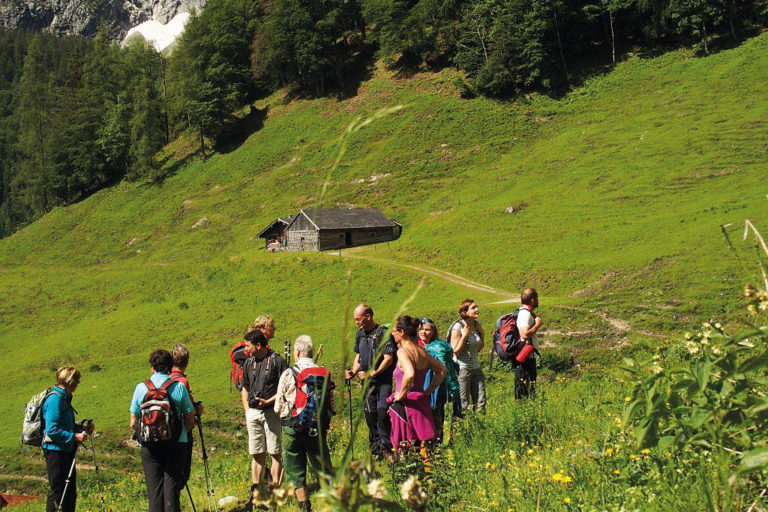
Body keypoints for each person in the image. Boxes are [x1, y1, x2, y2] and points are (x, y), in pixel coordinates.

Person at [274, 335, 335, 512]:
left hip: (292, 428)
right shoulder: (324, 373)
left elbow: (278, 406)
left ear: (298, 352)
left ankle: (305, 505)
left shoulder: (288, 373)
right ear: (312, 352)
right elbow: (331, 405)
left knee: (295, 468)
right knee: (322, 465)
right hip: (316, 428)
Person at [130, 350, 196, 512]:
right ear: (170, 367)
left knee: (154, 493)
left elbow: (133, 422)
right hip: (175, 444)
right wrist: (180, 434)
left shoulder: (141, 388)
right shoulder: (178, 387)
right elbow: (190, 418)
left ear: (152, 367)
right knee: (172, 492)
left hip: (149, 447)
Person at [344, 304, 396, 459]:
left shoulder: (383, 333)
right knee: (370, 414)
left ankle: (387, 447)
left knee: (382, 412)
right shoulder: (359, 334)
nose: (357, 323)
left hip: (383, 381)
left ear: (368, 316)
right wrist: (353, 372)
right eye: (355, 320)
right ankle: (375, 449)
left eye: (358, 319)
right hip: (367, 384)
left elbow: (388, 358)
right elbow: (359, 356)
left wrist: (373, 372)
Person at [241, 329, 288, 500]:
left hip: (271, 412)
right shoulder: (248, 363)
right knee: (257, 452)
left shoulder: (277, 361)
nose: (246, 349)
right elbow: (245, 387)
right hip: (253, 412)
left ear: (258, 345)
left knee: (274, 451)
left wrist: (269, 402)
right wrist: (247, 411)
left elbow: (286, 387)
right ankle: (257, 490)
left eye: (248, 346)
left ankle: (276, 490)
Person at [388, 315, 446, 452]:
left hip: (405, 405)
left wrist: (400, 395)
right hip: (420, 402)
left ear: (402, 333)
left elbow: (410, 374)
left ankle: (408, 472)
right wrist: (427, 392)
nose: (392, 333)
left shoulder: (403, 351)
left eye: (394, 330)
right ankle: (424, 471)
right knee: (423, 443)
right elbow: (442, 371)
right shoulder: (422, 352)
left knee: (404, 446)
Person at [42, 367, 95, 512]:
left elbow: (64, 424)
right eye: (76, 380)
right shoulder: (55, 399)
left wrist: (82, 429)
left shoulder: (64, 398)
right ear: (70, 381)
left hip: (65, 450)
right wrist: (74, 437)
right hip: (56, 452)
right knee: (58, 491)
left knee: (69, 492)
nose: (78, 383)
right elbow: (51, 430)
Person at [419, 318, 459, 442]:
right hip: (419, 385)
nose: (423, 332)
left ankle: (436, 443)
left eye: (427, 329)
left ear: (433, 331)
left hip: (437, 386)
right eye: (421, 329)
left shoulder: (439, 347)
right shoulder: (414, 345)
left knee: (437, 415)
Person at [170, 344, 204, 488]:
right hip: (182, 431)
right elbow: (188, 410)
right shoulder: (182, 382)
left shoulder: (167, 379)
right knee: (183, 472)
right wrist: (197, 410)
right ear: (187, 361)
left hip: (168, 431)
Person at [449, 299, 486, 413]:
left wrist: (482, 333)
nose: (477, 309)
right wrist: (464, 336)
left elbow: (478, 348)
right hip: (462, 369)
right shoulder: (458, 327)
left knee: (481, 402)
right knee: (463, 402)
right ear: (465, 312)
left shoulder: (476, 325)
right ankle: (462, 427)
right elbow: (455, 352)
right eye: (473, 308)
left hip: (476, 368)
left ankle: (479, 427)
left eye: (477, 307)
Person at [516, 288, 543, 399]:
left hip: (527, 357)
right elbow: (524, 334)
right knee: (525, 392)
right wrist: (537, 325)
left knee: (529, 390)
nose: (538, 300)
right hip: (525, 358)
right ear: (532, 300)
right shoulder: (525, 314)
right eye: (537, 298)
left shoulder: (526, 312)